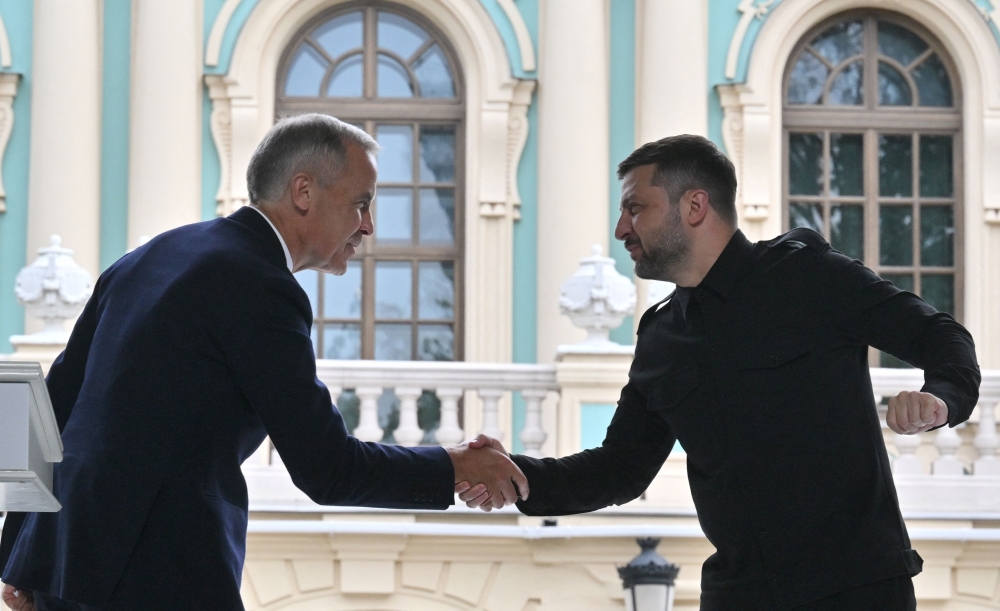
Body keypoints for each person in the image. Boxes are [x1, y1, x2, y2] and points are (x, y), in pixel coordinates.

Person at [0, 113, 527, 611]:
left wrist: (15, 553)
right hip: (155, 568)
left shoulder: (151, 254)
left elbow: (44, 397)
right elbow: (327, 468)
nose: (368, 226)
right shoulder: (259, 284)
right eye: (361, 203)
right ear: (304, 192)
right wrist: (454, 465)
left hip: (62, 564)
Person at [459, 135, 980, 610]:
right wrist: (519, 476)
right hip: (737, 597)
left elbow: (942, 336)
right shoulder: (660, 335)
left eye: (635, 209)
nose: (621, 229)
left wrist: (941, 398)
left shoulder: (808, 277)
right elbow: (620, 468)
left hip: (856, 590)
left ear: (694, 205)